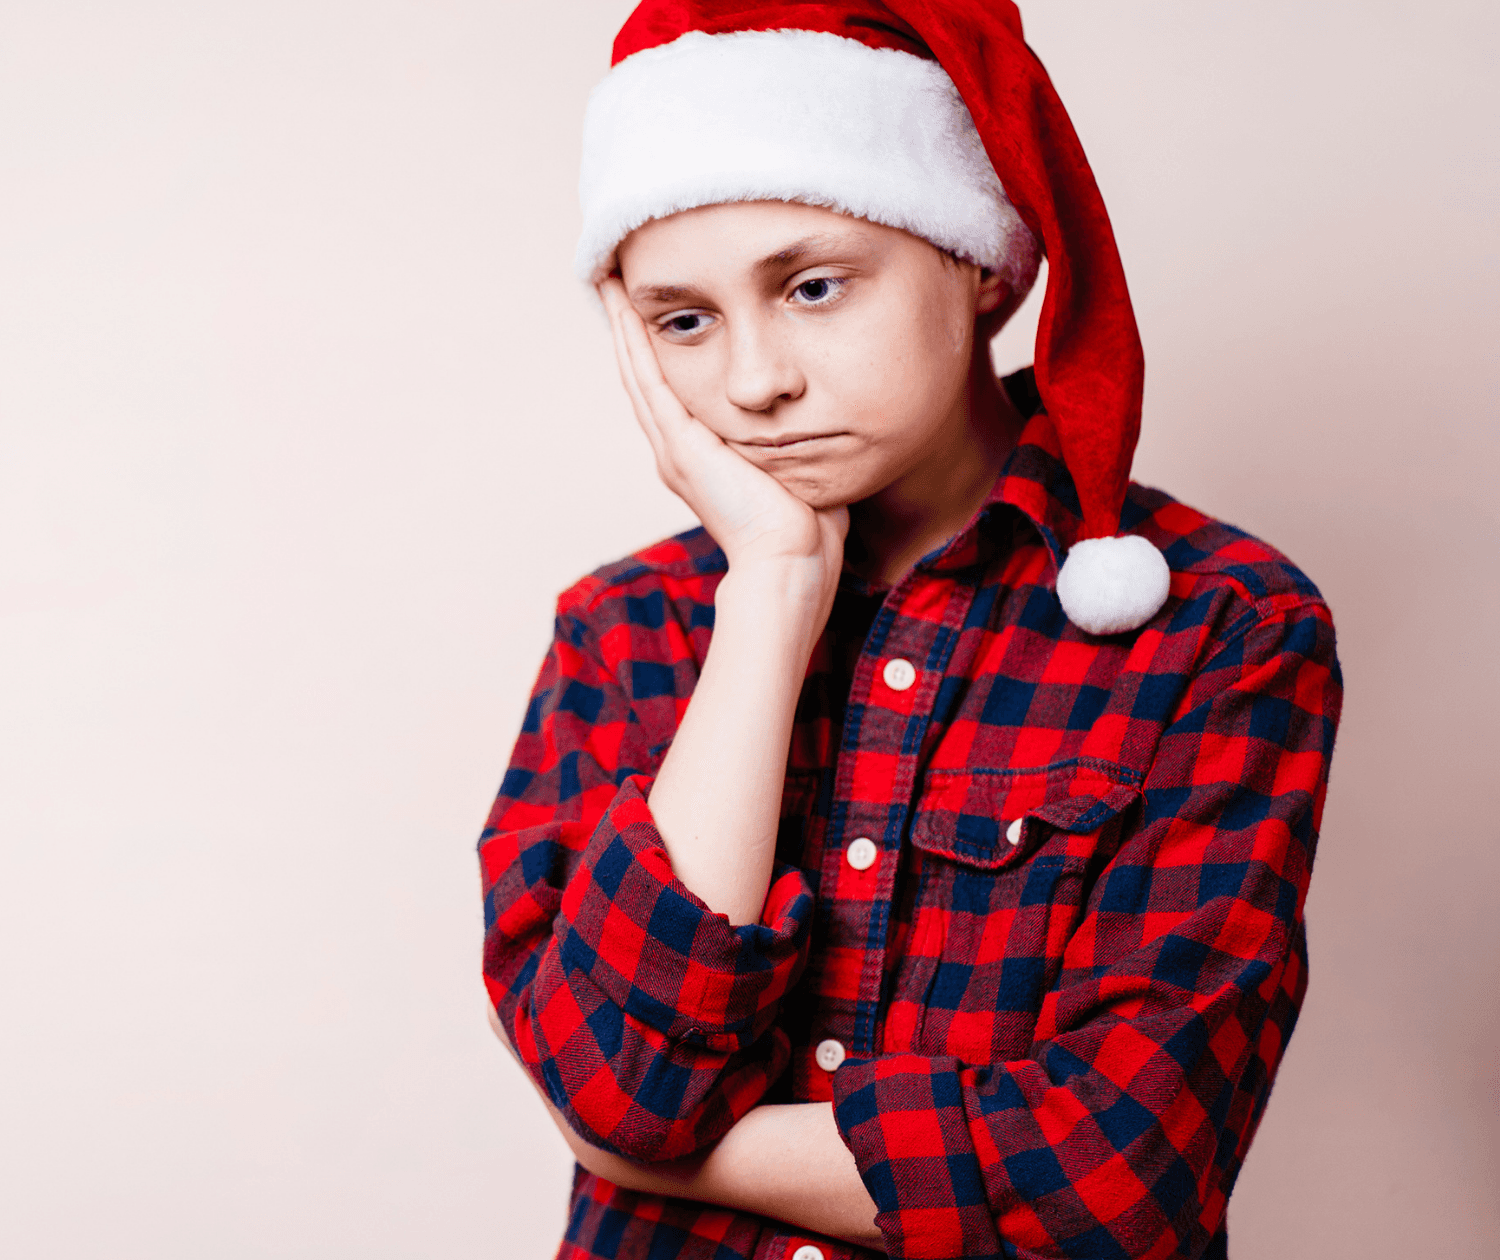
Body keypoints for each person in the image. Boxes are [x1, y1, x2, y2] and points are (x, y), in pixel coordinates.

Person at [474, 3, 1343, 1258]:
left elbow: (1118, 1179)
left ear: (979, 264)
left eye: (812, 286)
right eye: (682, 320)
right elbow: (614, 1075)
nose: (752, 380)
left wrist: (657, 1146)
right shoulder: (623, 631)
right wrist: (768, 592)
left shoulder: (1220, 627)